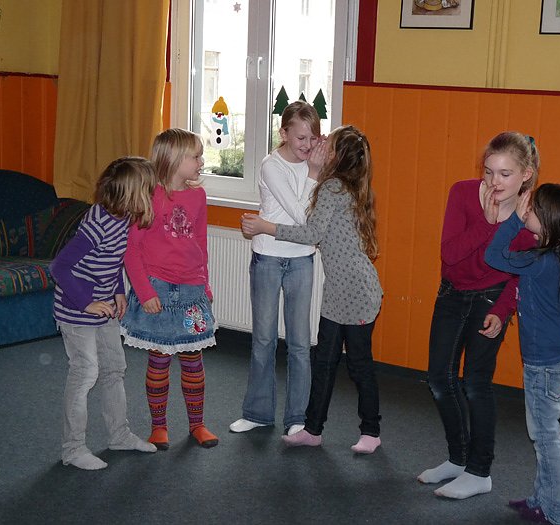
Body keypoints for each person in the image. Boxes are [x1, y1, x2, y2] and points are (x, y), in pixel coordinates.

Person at [241, 125, 383, 454]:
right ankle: (312, 429)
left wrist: (265, 227)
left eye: (326, 143)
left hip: (357, 292)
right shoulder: (343, 185)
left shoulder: (333, 187)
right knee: (324, 362)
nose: (318, 144)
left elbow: (310, 233)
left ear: (336, 156)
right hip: (338, 291)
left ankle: (371, 431)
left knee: (359, 364)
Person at [417, 131, 539, 499]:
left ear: (526, 175)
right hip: (452, 294)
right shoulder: (462, 193)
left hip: (492, 298)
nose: (494, 181)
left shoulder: (530, 217)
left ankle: (479, 471)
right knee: (439, 379)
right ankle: (458, 459)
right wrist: (487, 223)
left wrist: (502, 312)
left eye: (505, 174)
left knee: (475, 383)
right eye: (488, 171)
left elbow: (521, 273)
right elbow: (451, 254)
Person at [485, 183, 560, 525]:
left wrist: (513, 220)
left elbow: (493, 255)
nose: (525, 211)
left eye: (531, 209)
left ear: (548, 222)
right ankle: (541, 501)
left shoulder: (541, 261)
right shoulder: (556, 255)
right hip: (556, 360)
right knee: (543, 434)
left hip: (545, 365)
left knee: (545, 438)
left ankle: (557, 512)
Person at [50, 156, 158, 470]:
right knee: (85, 372)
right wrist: (86, 302)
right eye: (147, 189)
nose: (151, 195)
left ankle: (119, 436)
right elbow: (60, 267)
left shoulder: (124, 218)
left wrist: (119, 291)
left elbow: (112, 261)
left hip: (104, 306)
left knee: (114, 369)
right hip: (76, 310)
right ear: (131, 193)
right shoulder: (97, 225)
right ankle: (73, 449)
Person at [120, 128, 218, 450]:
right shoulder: (149, 196)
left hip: (192, 292)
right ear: (175, 160)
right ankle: (158, 426)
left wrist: (204, 282)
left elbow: (200, 242)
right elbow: (132, 249)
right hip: (158, 290)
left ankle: (197, 424)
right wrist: (144, 292)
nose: (201, 162)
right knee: (160, 358)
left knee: (193, 358)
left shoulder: (198, 196)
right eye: (195, 156)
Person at [229, 102, 322, 437]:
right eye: (300, 138)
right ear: (283, 133)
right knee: (264, 339)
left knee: (300, 343)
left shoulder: (316, 164)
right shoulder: (271, 165)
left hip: (302, 259)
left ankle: (297, 416)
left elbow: (311, 223)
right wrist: (313, 174)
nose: (307, 145)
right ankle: (257, 413)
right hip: (267, 257)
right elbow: (301, 215)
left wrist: (315, 170)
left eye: (313, 138)